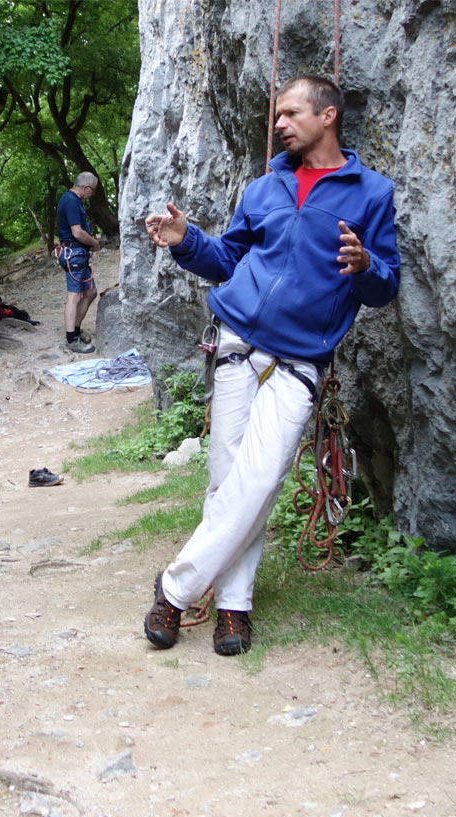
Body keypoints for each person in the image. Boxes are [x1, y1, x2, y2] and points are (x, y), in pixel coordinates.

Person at [142, 75, 400, 655]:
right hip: (237, 343)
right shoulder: (264, 187)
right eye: (276, 115)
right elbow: (226, 260)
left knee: (258, 480)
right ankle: (235, 608)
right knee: (227, 480)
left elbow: (387, 286)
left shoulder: (370, 193)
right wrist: (187, 240)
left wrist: (364, 267)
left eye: (289, 113)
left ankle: (176, 590)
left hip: (302, 358)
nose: (279, 124)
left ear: (328, 115)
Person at [55, 171, 102, 354]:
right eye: (93, 190)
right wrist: (94, 242)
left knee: (90, 292)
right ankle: (71, 339)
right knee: (74, 296)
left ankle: (75, 330)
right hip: (73, 254)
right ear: (85, 187)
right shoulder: (71, 201)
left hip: (78, 253)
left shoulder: (73, 201)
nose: (93, 194)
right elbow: (77, 232)